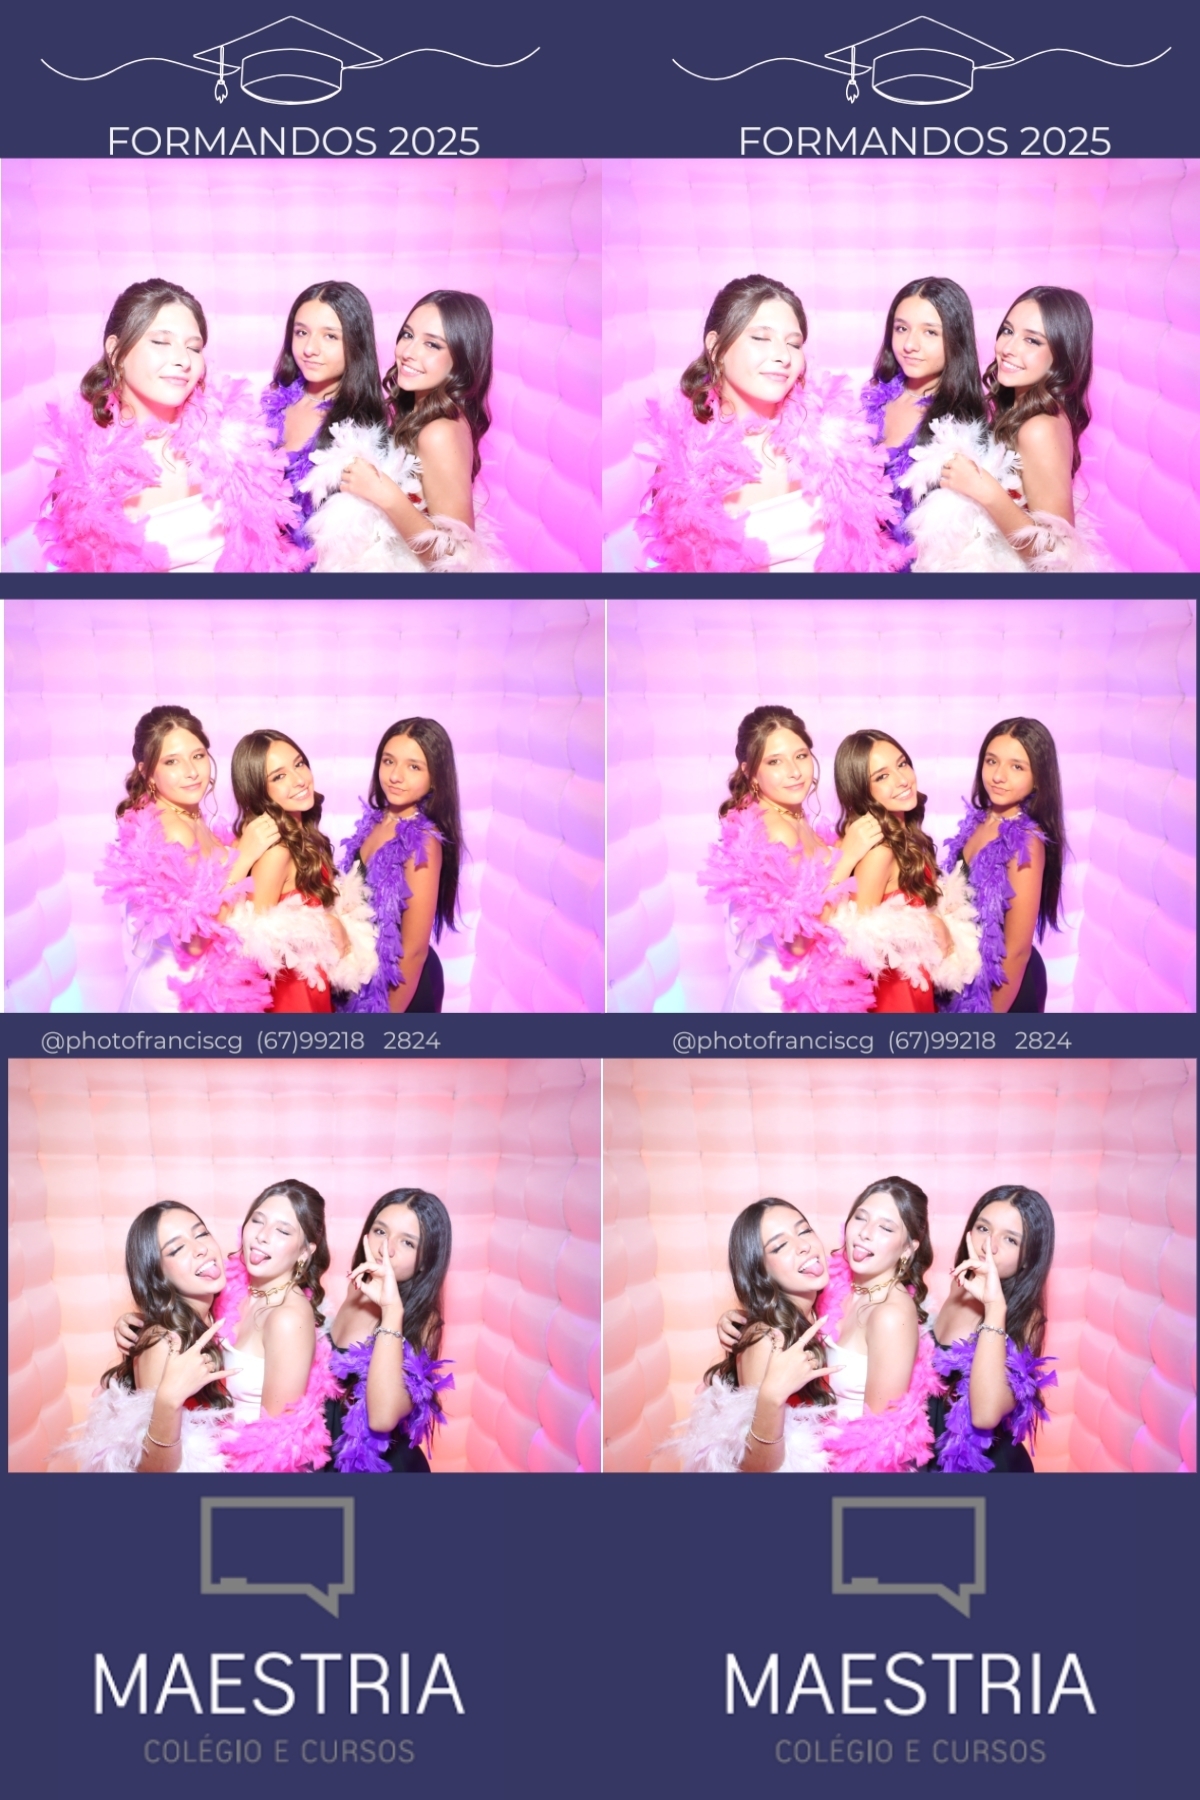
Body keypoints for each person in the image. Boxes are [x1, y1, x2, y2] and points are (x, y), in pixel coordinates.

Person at [636, 274, 908, 573]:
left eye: (794, 343)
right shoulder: (684, 467)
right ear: (716, 348)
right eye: (761, 338)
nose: (782, 356)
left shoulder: (836, 441)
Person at [37, 279, 306, 573]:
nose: (183, 360)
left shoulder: (236, 445)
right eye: (161, 342)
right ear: (116, 352)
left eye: (194, 347)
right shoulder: (84, 471)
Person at [902, 287, 1113, 571]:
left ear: (1061, 355)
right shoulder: (1021, 411)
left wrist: (984, 489)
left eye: (1032, 340)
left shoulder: (1040, 428)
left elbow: (1058, 557)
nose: (1008, 348)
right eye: (1008, 331)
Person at [299, 291, 508, 570]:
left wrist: (384, 493)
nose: (408, 352)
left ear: (461, 359)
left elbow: (458, 558)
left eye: (432, 345)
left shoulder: (440, 432)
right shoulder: (420, 414)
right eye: (408, 335)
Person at [697, 705, 880, 1012]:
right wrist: (847, 857)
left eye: (801, 755)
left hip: (812, 987)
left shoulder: (792, 816)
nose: (794, 771)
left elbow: (814, 884)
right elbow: (796, 940)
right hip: (781, 997)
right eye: (775, 761)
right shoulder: (774, 830)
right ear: (750, 772)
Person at [95, 704, 276, 1012]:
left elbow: (212, 885)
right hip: (178, 997)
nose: (191, 771)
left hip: (209, 987)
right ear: (147, 772)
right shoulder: (172, 829)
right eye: (172, 761)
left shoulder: (189, 816)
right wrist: (244, 857)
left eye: (198, 755)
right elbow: (193, 940)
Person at [675, 1200, 835, 1473]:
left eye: (804, 1230)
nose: (803, 1245)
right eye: (780, 1246)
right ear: (760, 1271)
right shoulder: (767, 1339)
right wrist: (772, 1396)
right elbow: (755, 1468)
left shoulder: (820, 1311)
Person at [71, 1202, 230, 1472]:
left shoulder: (216, 1313)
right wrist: (169, 1400)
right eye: (177, 1249)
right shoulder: (163, 1343)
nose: (200, 1248)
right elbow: (152, 1471)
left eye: (201, 1233)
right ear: (157, 1274)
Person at [227, 730, 377, 1013]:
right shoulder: (277, 852)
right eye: (279, 776)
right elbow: (257, 938)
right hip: (291, 995)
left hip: (314, 983)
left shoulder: (303, 834)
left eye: (299, 764)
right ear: (258, 790)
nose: (299, 779)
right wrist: (325, 923)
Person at [830, 730, 980, 1011]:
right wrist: (928, 923)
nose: (902, 779)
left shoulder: (906, 834)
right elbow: (860, 938)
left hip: (917, 983)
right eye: (881, 777)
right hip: (894, 995)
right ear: (861, 790)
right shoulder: (880, 852)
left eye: (902, 764)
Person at [212, 1180, 341, 1473]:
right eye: (257, 1221)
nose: (262, 1236)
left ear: (305, 1252)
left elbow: (273, 1445)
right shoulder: (230, 1289)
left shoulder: (288, 1318)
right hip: (212, 1455)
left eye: (283, 1231)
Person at [941, 718, 1067, 1013]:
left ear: (1038, 778)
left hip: (1006, 987)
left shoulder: (1026, 840)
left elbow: (1017, 950)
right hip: (967, 977)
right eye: (991, 761)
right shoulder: (977, 821)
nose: (998, 776)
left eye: (1017, 767)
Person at [338, 719, 463, 1014]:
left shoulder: (423, 840)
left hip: (403, 987)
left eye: (414, 767)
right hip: (364, 977)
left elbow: (414, 950)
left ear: (435, 778)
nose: (395, 776)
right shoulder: (374, 820)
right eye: (388, 761)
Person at [325, 1190, 455, 1472]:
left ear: (425, 1260)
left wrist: (391, 1311)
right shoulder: (356, 1288)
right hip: (329, 1454)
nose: (386, 1248)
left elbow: (381, 1418)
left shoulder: (425, 1321)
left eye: (407, 1242)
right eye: (380, 1231)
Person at [929, 1186, 1057, 1472]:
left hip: (985, 1468)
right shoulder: (959, 1285)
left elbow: (984, 1415)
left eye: (1010, 1239)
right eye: (983, 1228)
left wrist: (994, 1308)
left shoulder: (1027, 1317)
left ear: (1028, 1257)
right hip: (934, 1454)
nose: (989, 1245)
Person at [860, 277, 987, 556]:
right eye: (901, 328)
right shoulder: (870, 400)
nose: (909, 344)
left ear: (956, 339)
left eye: (930, 332)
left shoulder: (960, 429)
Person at [260, 281, 387, 553]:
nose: (310, 348)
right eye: (301, 332)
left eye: (330, 336)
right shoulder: (272, 404)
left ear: (356, 343)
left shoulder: (360, 433)